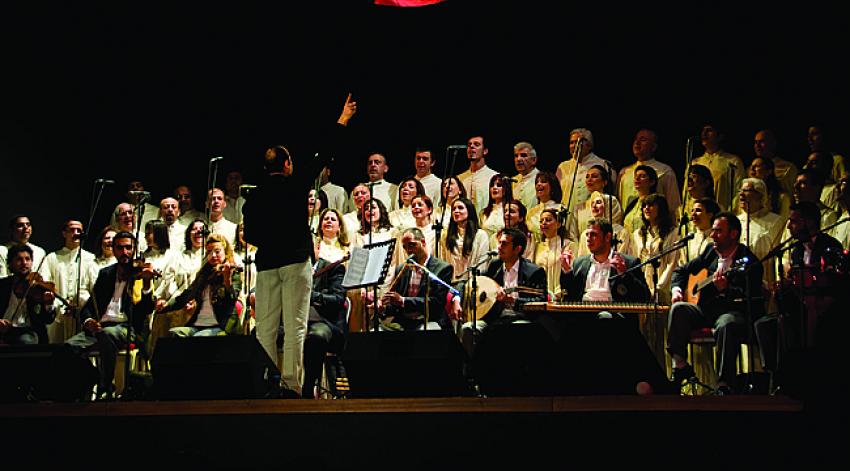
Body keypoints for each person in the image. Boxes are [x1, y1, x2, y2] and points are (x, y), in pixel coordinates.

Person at [242, 93, 356, 398]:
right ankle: (290, 385)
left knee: (265, 327)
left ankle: (262, 383)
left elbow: (249, 235)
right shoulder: (295, 185)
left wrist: (269, 239)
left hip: (266, 265)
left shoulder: (253, 197)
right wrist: (342, 121)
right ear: (288, 164)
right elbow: (323, 155)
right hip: (294, 262)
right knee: (295, 326)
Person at [667, 212, 764, 395]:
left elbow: (751, 296)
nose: (712, 235)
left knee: (727, 324)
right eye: (712, 231)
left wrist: (725, 289)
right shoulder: (711, 252)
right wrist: (676, 290)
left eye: (718, 231)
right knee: (679, 309)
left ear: (733, 234)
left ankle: (724, 383)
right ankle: (680, 365)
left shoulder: (750, 262)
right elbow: (681, 271)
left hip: (734, 312)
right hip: (706, 311)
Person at [755, 201, 846, 393]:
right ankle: (775, 374)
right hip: (799, 306)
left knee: (793, 322)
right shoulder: (796, 250)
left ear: (809, 222)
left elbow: (834, 281)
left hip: (824, 306)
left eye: (794, 221)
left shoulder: (830, 246)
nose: (789, 226)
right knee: (764, 324)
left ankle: (809, 372)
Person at [65, 231, 157, 399]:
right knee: (68, 347)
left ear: (135, 249)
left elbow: (146, 308)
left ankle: (105, 387)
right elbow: (88, 307)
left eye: (129, 248)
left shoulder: (139, 273)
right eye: (120, 248)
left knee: (108, 335)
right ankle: (92, 377)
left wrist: (146, 283)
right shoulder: (106, 273)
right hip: (101, 328)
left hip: (127, 328)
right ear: (113, 250)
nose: (125, 252)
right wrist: (89, 320)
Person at [460, 227, 546, 356]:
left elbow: (541, 300)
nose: (499, 247)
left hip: (520, 317)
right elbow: (472, 282)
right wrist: (456, 298)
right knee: (468, 328)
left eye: (504, 244)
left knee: (507, 330)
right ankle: (474, 371)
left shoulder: (534, 272)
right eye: (499, 242)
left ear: (518, 249)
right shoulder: (494, 267)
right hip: (495, 316)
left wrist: (513, 301)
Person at [155, 233, 241, 337]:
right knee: (175, 334)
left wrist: (227, 279)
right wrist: (166, 305)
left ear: (225, 253)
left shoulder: (233, 273)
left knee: (199, 338)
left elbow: (231, 300)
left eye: (217, 252)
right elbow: (186, 295)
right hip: (199, 324)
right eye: (209, 252)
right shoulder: (204, 274)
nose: (213, 255)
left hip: (221, 325)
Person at [559, 218, 650, 308]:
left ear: (607, 237)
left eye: (593, 234)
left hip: (613, 313)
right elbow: (570, 295)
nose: (588, 239)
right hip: (584, 311)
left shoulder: (628, 263)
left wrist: (624, 275)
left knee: (604, 317)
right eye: (587, 235)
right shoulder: (579, 263)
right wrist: (567, 271)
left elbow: (645, 296)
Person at [380, 227, 455, 331]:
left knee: (425, 334)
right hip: (404, 322)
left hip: (428, 320)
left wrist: (403, 300)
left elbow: (436, 303)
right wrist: (383, 308)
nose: (408, 250)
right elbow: (396, 305)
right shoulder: (402, 269)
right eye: (405, 247)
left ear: (423, 242)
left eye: (412, 245)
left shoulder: (442, 268)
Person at [37, 220, 100, 343]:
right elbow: (45, 284)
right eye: (71, 230)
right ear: (64, 233)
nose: (75, 233)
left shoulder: (90, 258)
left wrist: (82, 304)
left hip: (82, 314)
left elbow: (95, 287)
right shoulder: (52, 257)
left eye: (79, 231)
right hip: (58, 314)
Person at [303, 254, 348, 399]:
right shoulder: (289, 269)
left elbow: (338, 299)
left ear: (317, 247)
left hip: (326, 324)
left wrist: (311, 296)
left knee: (317, 336)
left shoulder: (334, 268)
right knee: (259, 334)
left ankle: (308, 390)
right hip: (295, 323)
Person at [618, 129, 681, 223]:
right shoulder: (624, 173)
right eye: (636, 139)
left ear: (653, 147)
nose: (637, 143)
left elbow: (674, 206)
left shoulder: (665, 171)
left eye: (643, 140)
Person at [0, 244, 56, 345]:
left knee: (25, 341)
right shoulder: (2, 285)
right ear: (10, 263)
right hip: (3, 330)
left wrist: (48, 305)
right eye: (19, 259)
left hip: (28, 331)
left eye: (27, 259)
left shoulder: (37, 288)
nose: (24, 263)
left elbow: (47, 320)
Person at [555, 128, 616, 215]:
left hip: (593, 214)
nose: (573, 146)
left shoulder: (603, 164)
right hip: (567, 216)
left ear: (589, 145)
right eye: (571, 142)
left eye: (578, 142)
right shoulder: (563, 167)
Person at [692, 124, 745, 212]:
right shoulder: (695, 162)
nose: (704, 134)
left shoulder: (732, 161)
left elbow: (739, 190)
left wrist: (729, 213)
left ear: (720, 136)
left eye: (709, 130)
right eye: (703, 131)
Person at [440, 197, 491, 286]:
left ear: (469, 211)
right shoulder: (446, 236)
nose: (456, 211)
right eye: (454, 209)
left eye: (460, 208)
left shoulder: (480, 235)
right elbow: (443, 261)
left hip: (473, 284)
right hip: (451, 284)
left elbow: (482, 262)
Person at [532, 208, 574, 300]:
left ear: (558, 224)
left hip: (560, 297)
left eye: (548, 220)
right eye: (541, 221)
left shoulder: (568, 245)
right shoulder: (538, 246)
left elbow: (570, 272)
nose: (544, 223)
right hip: (541, 297)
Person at [457, 134, 499, 215]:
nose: (471, 147)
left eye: (476, 144)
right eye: (469, 145)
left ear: (485, 151)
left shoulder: (494, 177)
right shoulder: (460, 178)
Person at [753, 129, 798, 197]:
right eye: (756, 142)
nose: (757, 146)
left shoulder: (788, 168)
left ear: (772, 143)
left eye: (761, 142)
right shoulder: (750, 169)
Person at [526, 171, 564, 240]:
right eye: (537, 182)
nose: (538, 184)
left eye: (543, 181)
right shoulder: (531, 212)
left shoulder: (561, 209)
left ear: (552, 186)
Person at [681, 198, 719, 265]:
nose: (693, 214)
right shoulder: (690, 239)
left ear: (710, 215)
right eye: (692, 210)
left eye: (698, 210)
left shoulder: (717, 238)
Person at [622, 165, 659, 233]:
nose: (637, 178)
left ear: (652, 182)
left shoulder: (656, 202)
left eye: (642, 176)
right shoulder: (632, 202)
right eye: (636, 176)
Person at [511, 141, 541, 211]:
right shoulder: (512, 180)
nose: (518, 159)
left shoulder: (543, 180)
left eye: (523, 155)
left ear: (534, 160)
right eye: (516, 156)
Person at [479, 173, 509, 241]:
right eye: (492, 185)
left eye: (499, 185)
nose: (494, 188)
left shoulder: (510, 211)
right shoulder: (484, 213)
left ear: (506, 189)